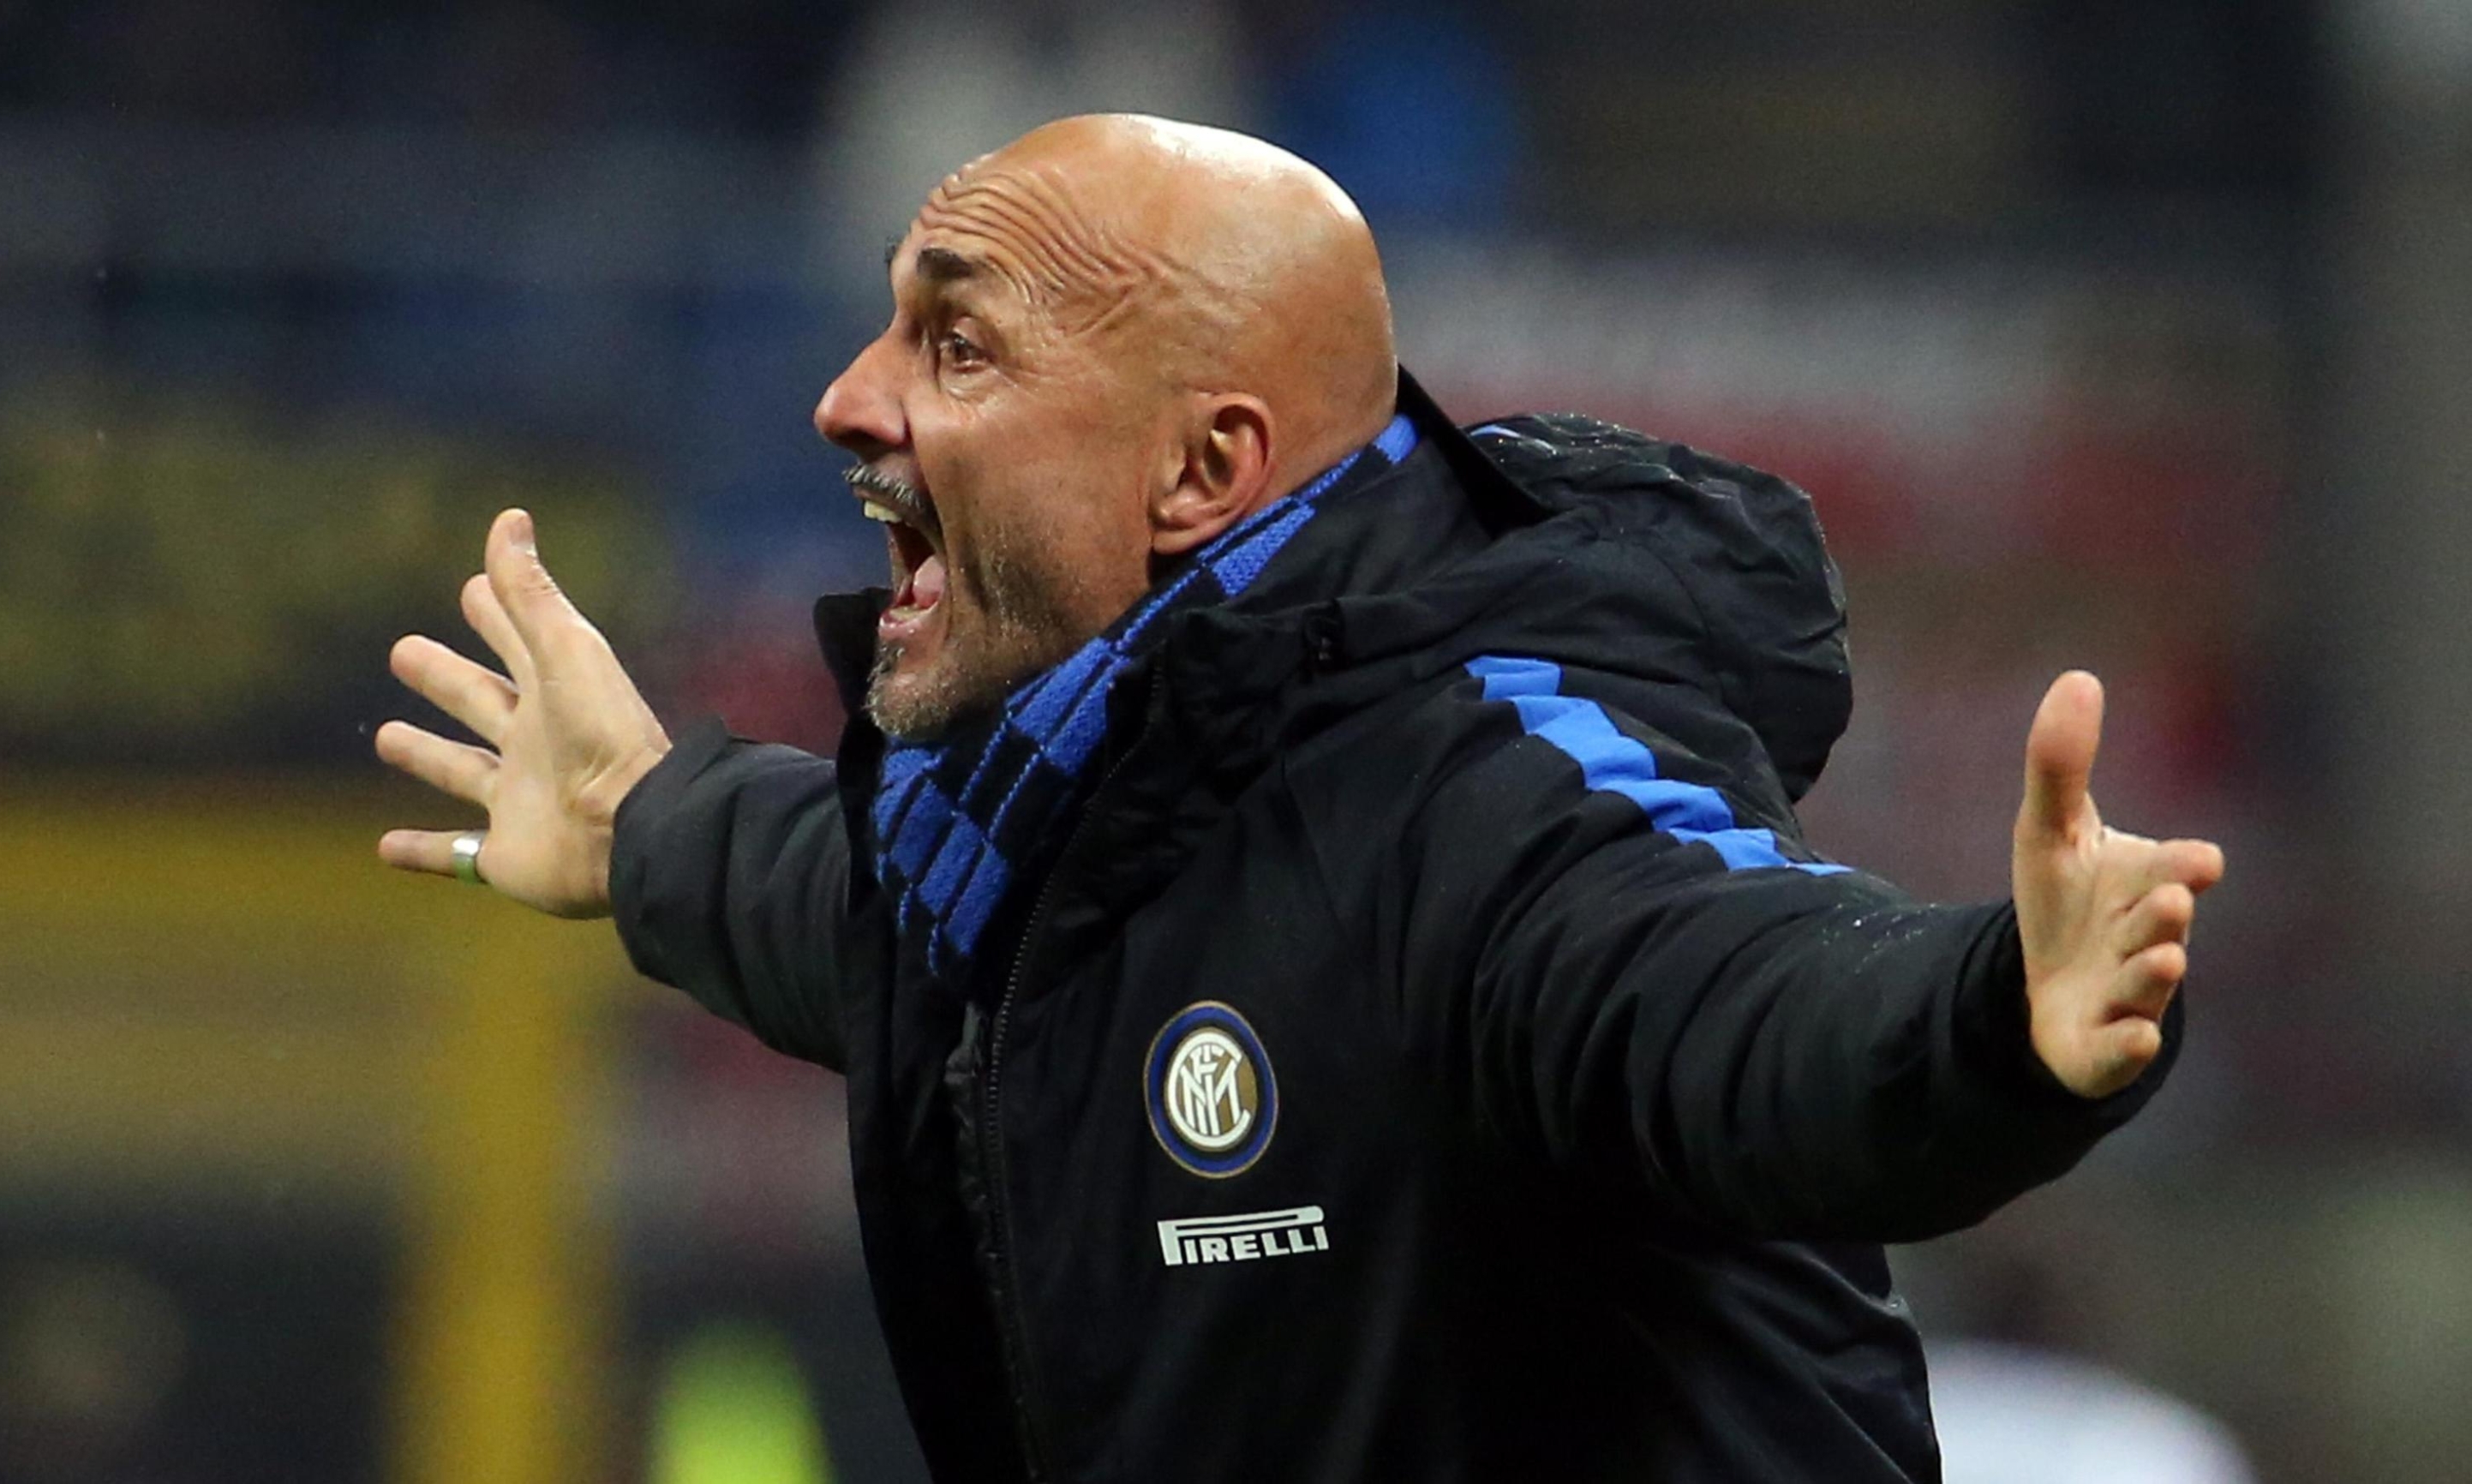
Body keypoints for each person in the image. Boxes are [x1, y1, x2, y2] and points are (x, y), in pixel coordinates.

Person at [373, 115, 2226, 1482]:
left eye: (957, 345)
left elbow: (1725, 993)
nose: (849, 402)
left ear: (1205, 469)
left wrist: (1989, 1022)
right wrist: (643, 823)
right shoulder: (1044, 837)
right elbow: (850, 903)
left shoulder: (1482, 784)